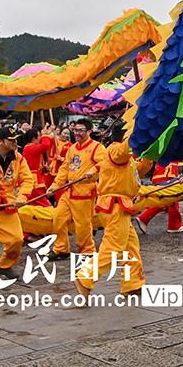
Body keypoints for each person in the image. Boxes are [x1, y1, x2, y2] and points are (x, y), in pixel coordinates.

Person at [74, 128, 146, 301]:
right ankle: (85, 278)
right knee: (114, 248)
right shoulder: (115, 150)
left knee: (131, 247)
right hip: (115, 206)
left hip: (120, 206)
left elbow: (140, 169)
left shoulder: (125, 158)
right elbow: (130, 145)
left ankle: (132, 284)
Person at [0, 125, 34, 279]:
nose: (15, 143)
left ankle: (5, 265)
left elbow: (27, 180)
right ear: (0, 142)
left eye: (16, 140)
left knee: (17, 239)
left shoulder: (19, 158)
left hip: (8, 205)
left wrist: (22, 197)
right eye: (11, 141)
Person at [46, 118, 105, 260]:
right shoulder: (72, 148)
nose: (77, 133)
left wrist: (94, 169)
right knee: (58, 218)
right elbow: (65, 169)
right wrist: (54, 186)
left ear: (89, 131)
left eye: (81, 130)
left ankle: (87, 250)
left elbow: (105, 162)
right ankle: (61, 248)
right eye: (76, 130)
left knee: (83, 224)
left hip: (85, 191)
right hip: (69, 189)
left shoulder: (97, 147)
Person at [135, 160, 183, 234]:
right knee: (172, 199)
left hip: (159, 174)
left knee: (162, 199)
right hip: (168, 175)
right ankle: (174, 226)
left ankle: (144, 218)